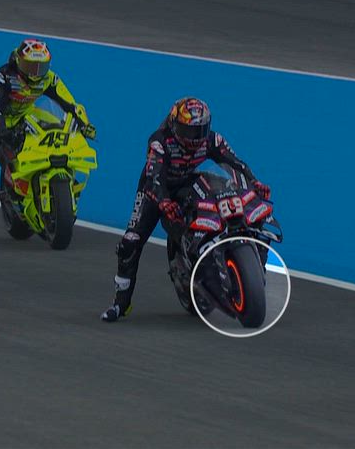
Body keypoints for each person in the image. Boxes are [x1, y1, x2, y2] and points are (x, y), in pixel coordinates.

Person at [101, 97, 271, 322]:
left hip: (187, 183)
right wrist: (163, 202)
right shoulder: (159, 142)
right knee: (130, 243)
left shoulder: (212, 140)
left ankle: (254, 268)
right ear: (174, 124)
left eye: (200, 130)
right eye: (188, 131)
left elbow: (235, 163)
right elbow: (154, 176)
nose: (195, 138)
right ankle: (120, 304)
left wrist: (254, 182)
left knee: (246, 208)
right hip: (155, 191)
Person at [0, 38, 97, 208]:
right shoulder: (4, 76)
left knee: (55, 142)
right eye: (31, 66)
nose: (36, 73)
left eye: (41, 67)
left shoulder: (49, 78)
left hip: (25, 119)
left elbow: (70, 103)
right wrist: (2, 130)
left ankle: (53, 190)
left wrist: (84, 124)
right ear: (19, 61)